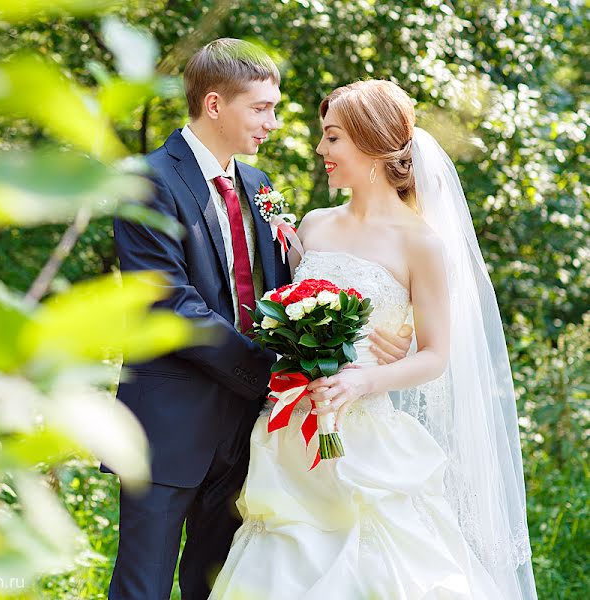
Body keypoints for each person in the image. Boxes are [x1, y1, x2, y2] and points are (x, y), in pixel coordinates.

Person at [105, 43, 413, 599]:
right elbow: (169, 302)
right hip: (170, 426)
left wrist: (361, 336)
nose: (273, 123)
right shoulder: (146, 180)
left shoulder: (259, 186)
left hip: (255, 434)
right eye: (261, 109)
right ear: (216, 104)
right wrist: (275, 371)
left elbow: (288, 295)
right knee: (141, 587)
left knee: (221, 586)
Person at [208, 79, 536, 599]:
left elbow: (435, 356)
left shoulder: (421, 243)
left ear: (372, 147)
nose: (321, 150)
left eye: (332, 138)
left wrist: (368, 379)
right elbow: (286, 316)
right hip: (291, 434)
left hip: (366, 439)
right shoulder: (312, 227)